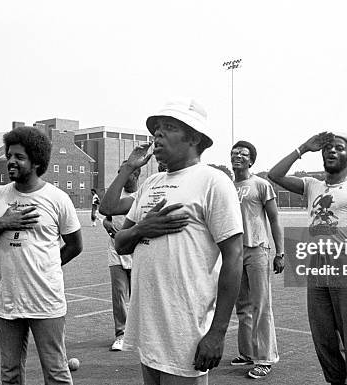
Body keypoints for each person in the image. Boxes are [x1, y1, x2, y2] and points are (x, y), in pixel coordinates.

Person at [114, 98, 244, 385]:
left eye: (168, 128)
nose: (157, 135)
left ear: (194, 138)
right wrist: (142, 228)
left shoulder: (213, 181)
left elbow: (234, 257)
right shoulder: (151, 184)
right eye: (156, 129)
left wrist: (217, 332)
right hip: (149, 328)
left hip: (186, 331)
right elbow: (121, 244)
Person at [0, 126, 83, 385]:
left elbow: (75, 245)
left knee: (55, 372)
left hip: (46, 301)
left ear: (36, 161)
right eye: (9, 155)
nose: (11, 161)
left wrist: (47, 266)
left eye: (19, 157)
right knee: (10, 373)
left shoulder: (57, 198)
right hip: (6, 300)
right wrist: (0, 224)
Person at [269, 132, 347, 385]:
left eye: (339, 148)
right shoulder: (311, 185)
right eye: (328, 147)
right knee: (324, 337)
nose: (331, 151)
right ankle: (335, 380)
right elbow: (274, 175)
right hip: (318, 265)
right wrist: (303, 148)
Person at [229, 140, 284, 379]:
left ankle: (265, 358)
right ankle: (248, 353)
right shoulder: (227, 186)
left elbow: (274, 219)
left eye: (243, 153)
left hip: (257, 249)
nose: (238, 156)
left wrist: (279, 252)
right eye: (235, 152)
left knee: (261, 305)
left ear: (251, 160)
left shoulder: (261, 185)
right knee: (242, 306)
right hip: (234, 252)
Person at [99, 145, 150, 352]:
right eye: (120, 171)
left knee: (140, 294)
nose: (122, 175)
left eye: (126, 172)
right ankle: (120, 333)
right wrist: (106, 223)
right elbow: (107, 214)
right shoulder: (115, 193)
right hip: (115, 250)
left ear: (136, 173)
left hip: (136, 249)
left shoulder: (142, 193)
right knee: (119, 294)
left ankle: (141, 332)